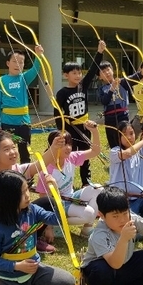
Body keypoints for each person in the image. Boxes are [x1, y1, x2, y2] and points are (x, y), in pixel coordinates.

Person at [0, 170, 76, 285]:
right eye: (22, 193)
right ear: (8, 198)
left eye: (27, 189)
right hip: (11, 278)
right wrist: (17, 266)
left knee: (68, 281)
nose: (28, 195)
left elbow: (58, 219)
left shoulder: (32, 210)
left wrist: (56, 193)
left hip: (34, 271)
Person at [0, 133, 62, 255]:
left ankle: (33, 238)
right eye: (6, 149)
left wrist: (54, 147)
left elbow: (39, 165)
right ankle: (20, 240)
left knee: (47, 202)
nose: (12, 152)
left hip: (23, 224)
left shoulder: (20, 170)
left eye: (13, 147)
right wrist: (1, 227)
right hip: (2, 226)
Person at [34, 121, 102, 237]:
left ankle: (87, 229)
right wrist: (48, 226)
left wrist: (94, 131)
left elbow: (95, 151)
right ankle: (57, 224)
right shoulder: (46, 170)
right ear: (53, 146)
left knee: (98, 188)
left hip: (71, 198)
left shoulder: (71, 157)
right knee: (90, 214)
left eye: (69, 143)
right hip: (58, 206)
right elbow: (44, 201)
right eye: (63, 144)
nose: (68, 147)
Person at [55, 41, 104, 186]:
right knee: (67, 153)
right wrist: (61, 130)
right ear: (66, 75)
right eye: (74, 73)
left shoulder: (82, 86)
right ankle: (64, 179)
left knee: (85, 154)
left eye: (79, 73)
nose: (78, 76)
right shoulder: (62, 93)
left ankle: (85, 181)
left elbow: (92, 69)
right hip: (70, 129)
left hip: (85, 127)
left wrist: (99, 52)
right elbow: (58, 113)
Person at [109, 105, 143, 220]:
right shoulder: (115, 151)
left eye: (131, 133)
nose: (129, 137)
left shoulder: (141, 149)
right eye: (124, 134)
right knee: (135, 232)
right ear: (118, 137)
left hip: (141, 198)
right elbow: (127, 154)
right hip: (122, 201)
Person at [0, 46, 44, 164]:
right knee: (8, 151)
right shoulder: (0, 81)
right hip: (7, 122)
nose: (18, 64)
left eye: (21, 62)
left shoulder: (24, 78)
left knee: (25, 150)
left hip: (24, 123)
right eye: (14, 61)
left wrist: (38, 55)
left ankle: (27, 179)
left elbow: (36, 68)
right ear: (7, 63)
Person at [98, 61, 143, 148]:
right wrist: (112, 88)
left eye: (108, 69)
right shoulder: (102, 89)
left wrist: (141, 73)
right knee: (113, 142)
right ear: (100, 77)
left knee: (126, 139)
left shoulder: (121, 82)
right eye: (103, 72)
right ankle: (117, 159)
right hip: (109, 119)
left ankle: (128, 157)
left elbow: (132, 79)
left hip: (122, 116)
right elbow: (104, 101)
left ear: (112, 71)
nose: (107, 72)